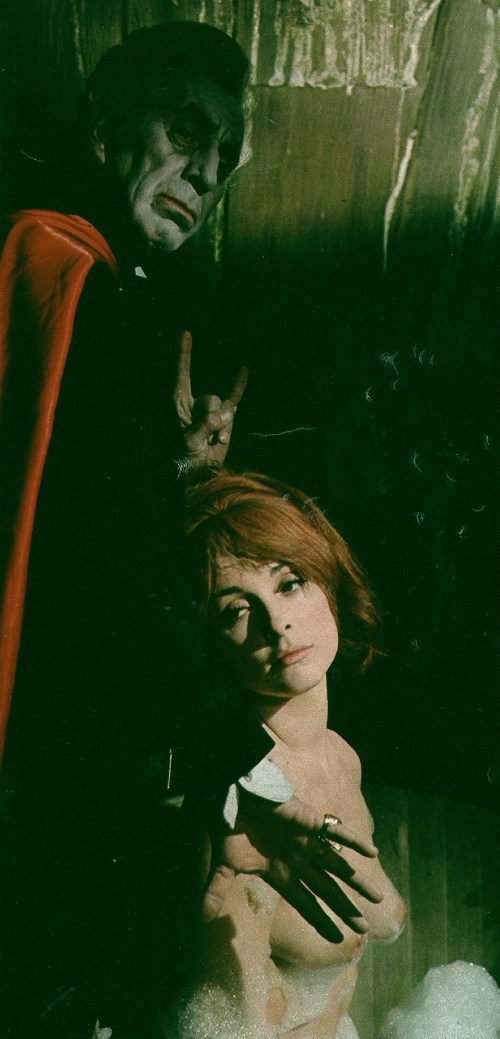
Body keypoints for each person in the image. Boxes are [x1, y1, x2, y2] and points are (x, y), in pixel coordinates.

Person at [0, 23, 384, 1039]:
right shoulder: (76, 278)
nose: (205, 173)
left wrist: (174, 475)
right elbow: (108, 574)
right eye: (183, 132)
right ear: (103, 127)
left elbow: (65, 522)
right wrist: (243, 766)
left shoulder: (64, 271)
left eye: (222, 157)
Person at [175, 469, 407, 1038]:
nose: (276, 623)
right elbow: (226, 1029)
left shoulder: (341, 756)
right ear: (209, 647)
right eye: (235, 610)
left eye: (289, 583)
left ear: (329, 582)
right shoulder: (240, 822)